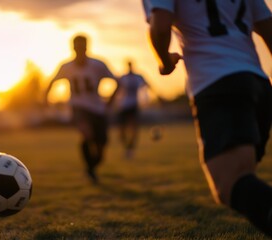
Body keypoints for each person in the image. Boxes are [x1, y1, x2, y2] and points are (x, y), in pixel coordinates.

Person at [143, 0, 272, 236]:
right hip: (258, 83)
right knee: (245, 179)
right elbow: (269, 30)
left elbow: (160, 27)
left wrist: (165, 62)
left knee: (231, 183)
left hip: (218, 82)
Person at [44, 34, 117, 184]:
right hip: (78, 107)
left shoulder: (98, 65)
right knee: (87, 134)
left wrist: (110, 102)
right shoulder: (66, 67)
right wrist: (46, 99)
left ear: (87, 47)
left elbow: (117, 82)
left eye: (82, 46)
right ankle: (90, 170)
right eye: (77, 46)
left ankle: (92, 166)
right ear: (72, 48)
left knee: (102, 143)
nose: (79, 50)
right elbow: (51, 82)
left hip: (97, 108)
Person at [110, 60, 150, 159]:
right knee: (121, 130)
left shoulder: (138, 77)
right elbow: (116, 89)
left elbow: (148, 86)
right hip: (122, 106)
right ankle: (127, 147)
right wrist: (110, 102)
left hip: (134, 105)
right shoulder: (123, 78)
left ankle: (130, 148)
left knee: (134, 128)